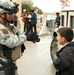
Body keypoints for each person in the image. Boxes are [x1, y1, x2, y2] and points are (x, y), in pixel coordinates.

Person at [0, 0, 27, 75]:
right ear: (1, 13)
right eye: (9, 13)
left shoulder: (10, 26)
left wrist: (23, 37)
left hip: (10, 65)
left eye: (13, 13)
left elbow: (21, 33)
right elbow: (11, 42)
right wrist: (25, 37)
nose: (12, 15)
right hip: (2, 67)